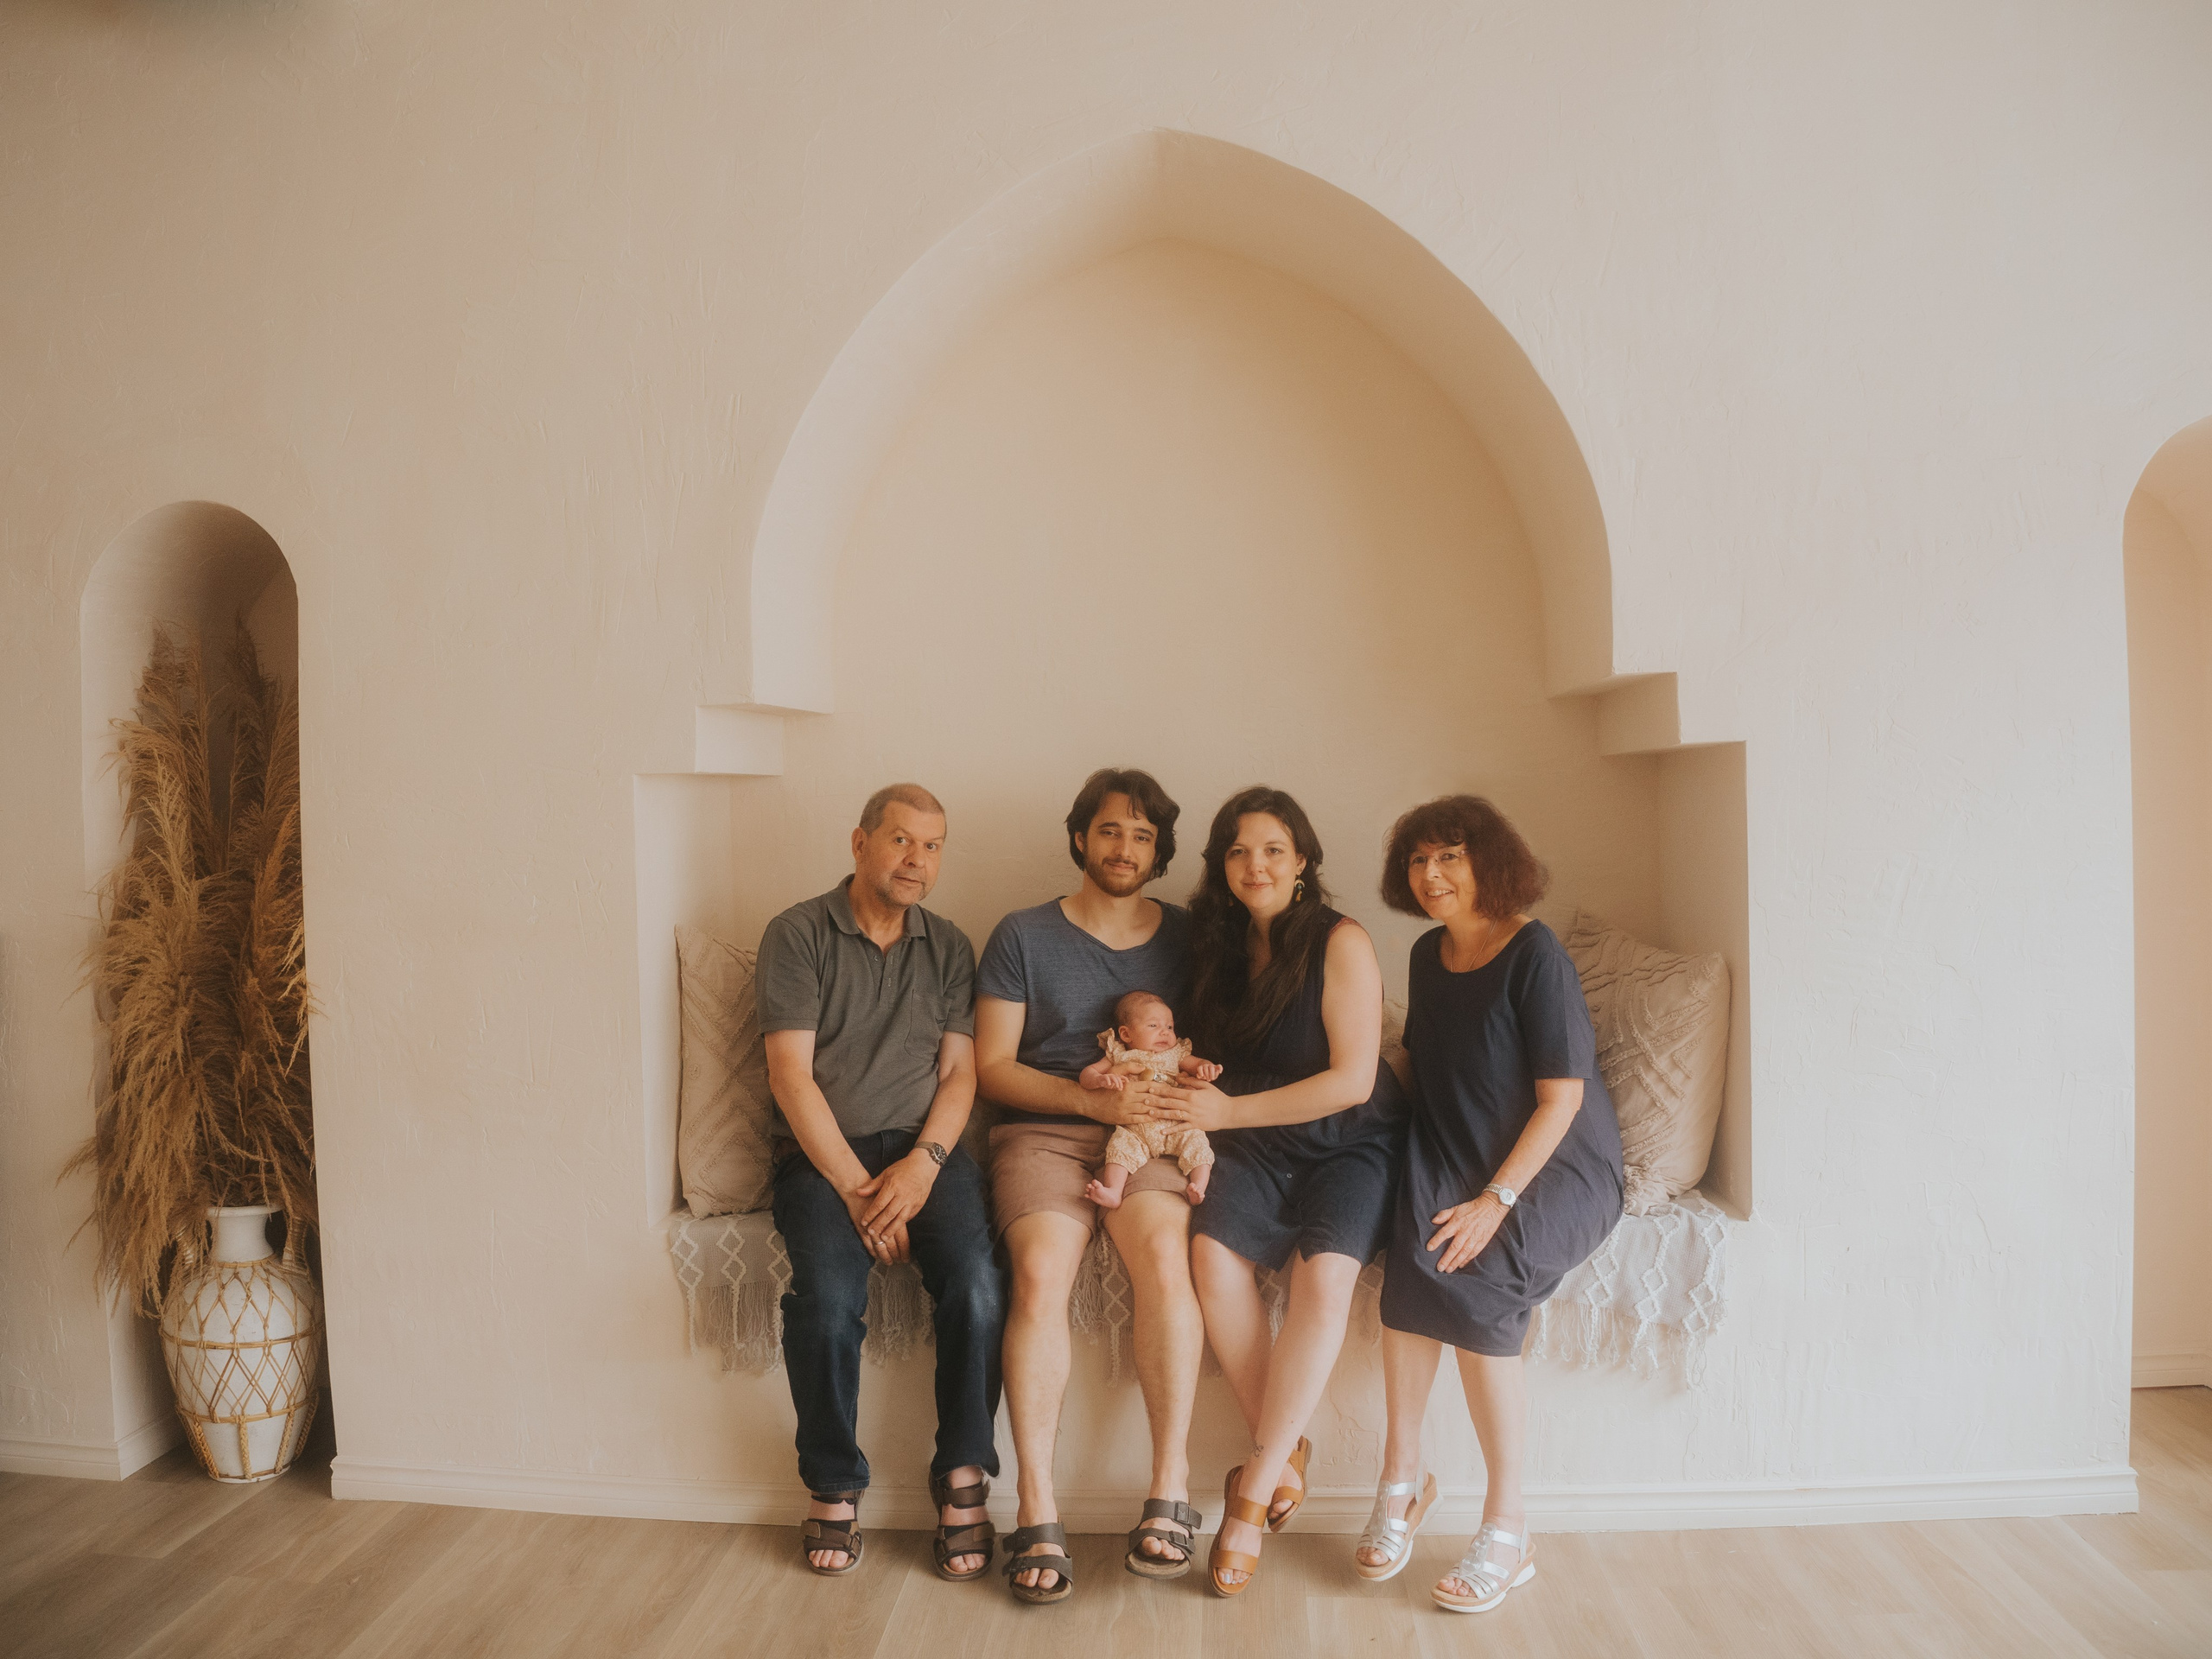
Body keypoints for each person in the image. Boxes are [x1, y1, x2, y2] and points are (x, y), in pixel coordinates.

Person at [1363, 794, 1624, 1611]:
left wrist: (1495, 1201)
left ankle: (1510, 1531)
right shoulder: (1424, 955)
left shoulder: (1534, 954)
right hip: (1455, 1147)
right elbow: (1425, 1066)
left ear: (1489, 864)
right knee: (1409, 1281)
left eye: (1449, 856)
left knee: (1477, 1278)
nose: (1431, 874)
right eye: (1418, 860)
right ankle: (1401, 1482)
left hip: (1555, 1165)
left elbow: (1561, 1100)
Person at [1147, 786, 1408, 1597]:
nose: (1254, 864)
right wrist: (1194, 1075)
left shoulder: (1342, 941)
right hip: (1254, 1142)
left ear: (1302, 863)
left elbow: (1353, 1079)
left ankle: (1251, 1494)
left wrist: (1227, 1110)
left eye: (1272, 849)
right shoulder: (1215, 948)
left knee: (1322, 1280)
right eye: (1237, 850)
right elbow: (1211, 1053)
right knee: (1212, 1256)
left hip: (1349, 1141)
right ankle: (1286, 1452)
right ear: (1221, 867)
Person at [756, 784, 1004, 1582]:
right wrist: (864, 1188)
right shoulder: (798, 934)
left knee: (976, 1283)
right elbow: (791, 1077)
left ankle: (962, 1474)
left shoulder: (950, 945)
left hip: (926, 1155)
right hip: (824, 1158)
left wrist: (925, 1165)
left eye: (932, 846)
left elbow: (962, 1074)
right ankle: (833, 1483)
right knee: (826, 1301)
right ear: (859, 843)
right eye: (901, 841)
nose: (916, 861)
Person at [973, 768, 1206, 1602]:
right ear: (1080, 837)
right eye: (1111, 830)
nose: (1125, 848)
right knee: (1038, 1276)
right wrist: (1081, 1096)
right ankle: (1036, 1503)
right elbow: (994, 1069)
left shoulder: (1188, 938)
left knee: (1162, 1258)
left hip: (1150, 1140)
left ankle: (1170, 1488)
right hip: (1044, 1131)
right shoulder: (1023, 935)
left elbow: (1215, 1048)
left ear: (1159, 852)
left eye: (1143, 836)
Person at [1078, 990, 1222, 1210]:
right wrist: (1100, 1079)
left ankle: (1198, 1186)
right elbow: (1086, 1076)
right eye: (1153, 1026)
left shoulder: (1176, 1053)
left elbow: (1197, 1064)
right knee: (1119, 1148)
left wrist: (1206, 1068)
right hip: (1136, 1128)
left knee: (1197, 1141)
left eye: (1169, 1027)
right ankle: (1114, 1192)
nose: (1164, 1033)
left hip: (1175, 1124)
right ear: (1126, 1034)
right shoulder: (1119, 1055)